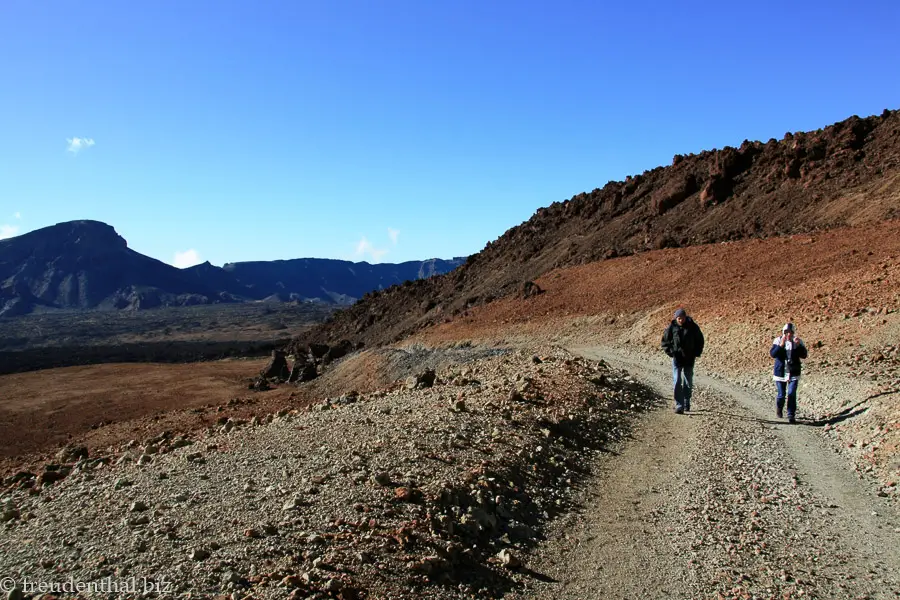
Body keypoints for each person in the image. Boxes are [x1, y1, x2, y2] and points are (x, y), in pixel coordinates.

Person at [661, 308, 705, 414]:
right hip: (677, 358)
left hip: (689, 358)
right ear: (676, 318)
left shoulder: (693, 327)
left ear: (685, 317)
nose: (681, 320)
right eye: (679, 318)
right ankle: (679, 405)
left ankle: (686, 401)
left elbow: (700, 340)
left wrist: (696, 353)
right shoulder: (672, 327)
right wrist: (671, 353)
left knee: (687, 381)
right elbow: (665, 341)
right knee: (677, 381)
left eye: (682, 318)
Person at [770, 322, 808, 423]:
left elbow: (804, 355)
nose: (788, 334)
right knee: (781, 394)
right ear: (783, 332)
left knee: (791, 393)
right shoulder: (777, 340)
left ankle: (791, 415)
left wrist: (799, 346)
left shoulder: (798, 341)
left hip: (793, 372)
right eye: (786, 332)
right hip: (780, 372)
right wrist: (781, 345)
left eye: (790, 332)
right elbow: (773, 354)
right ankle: (779, 408)